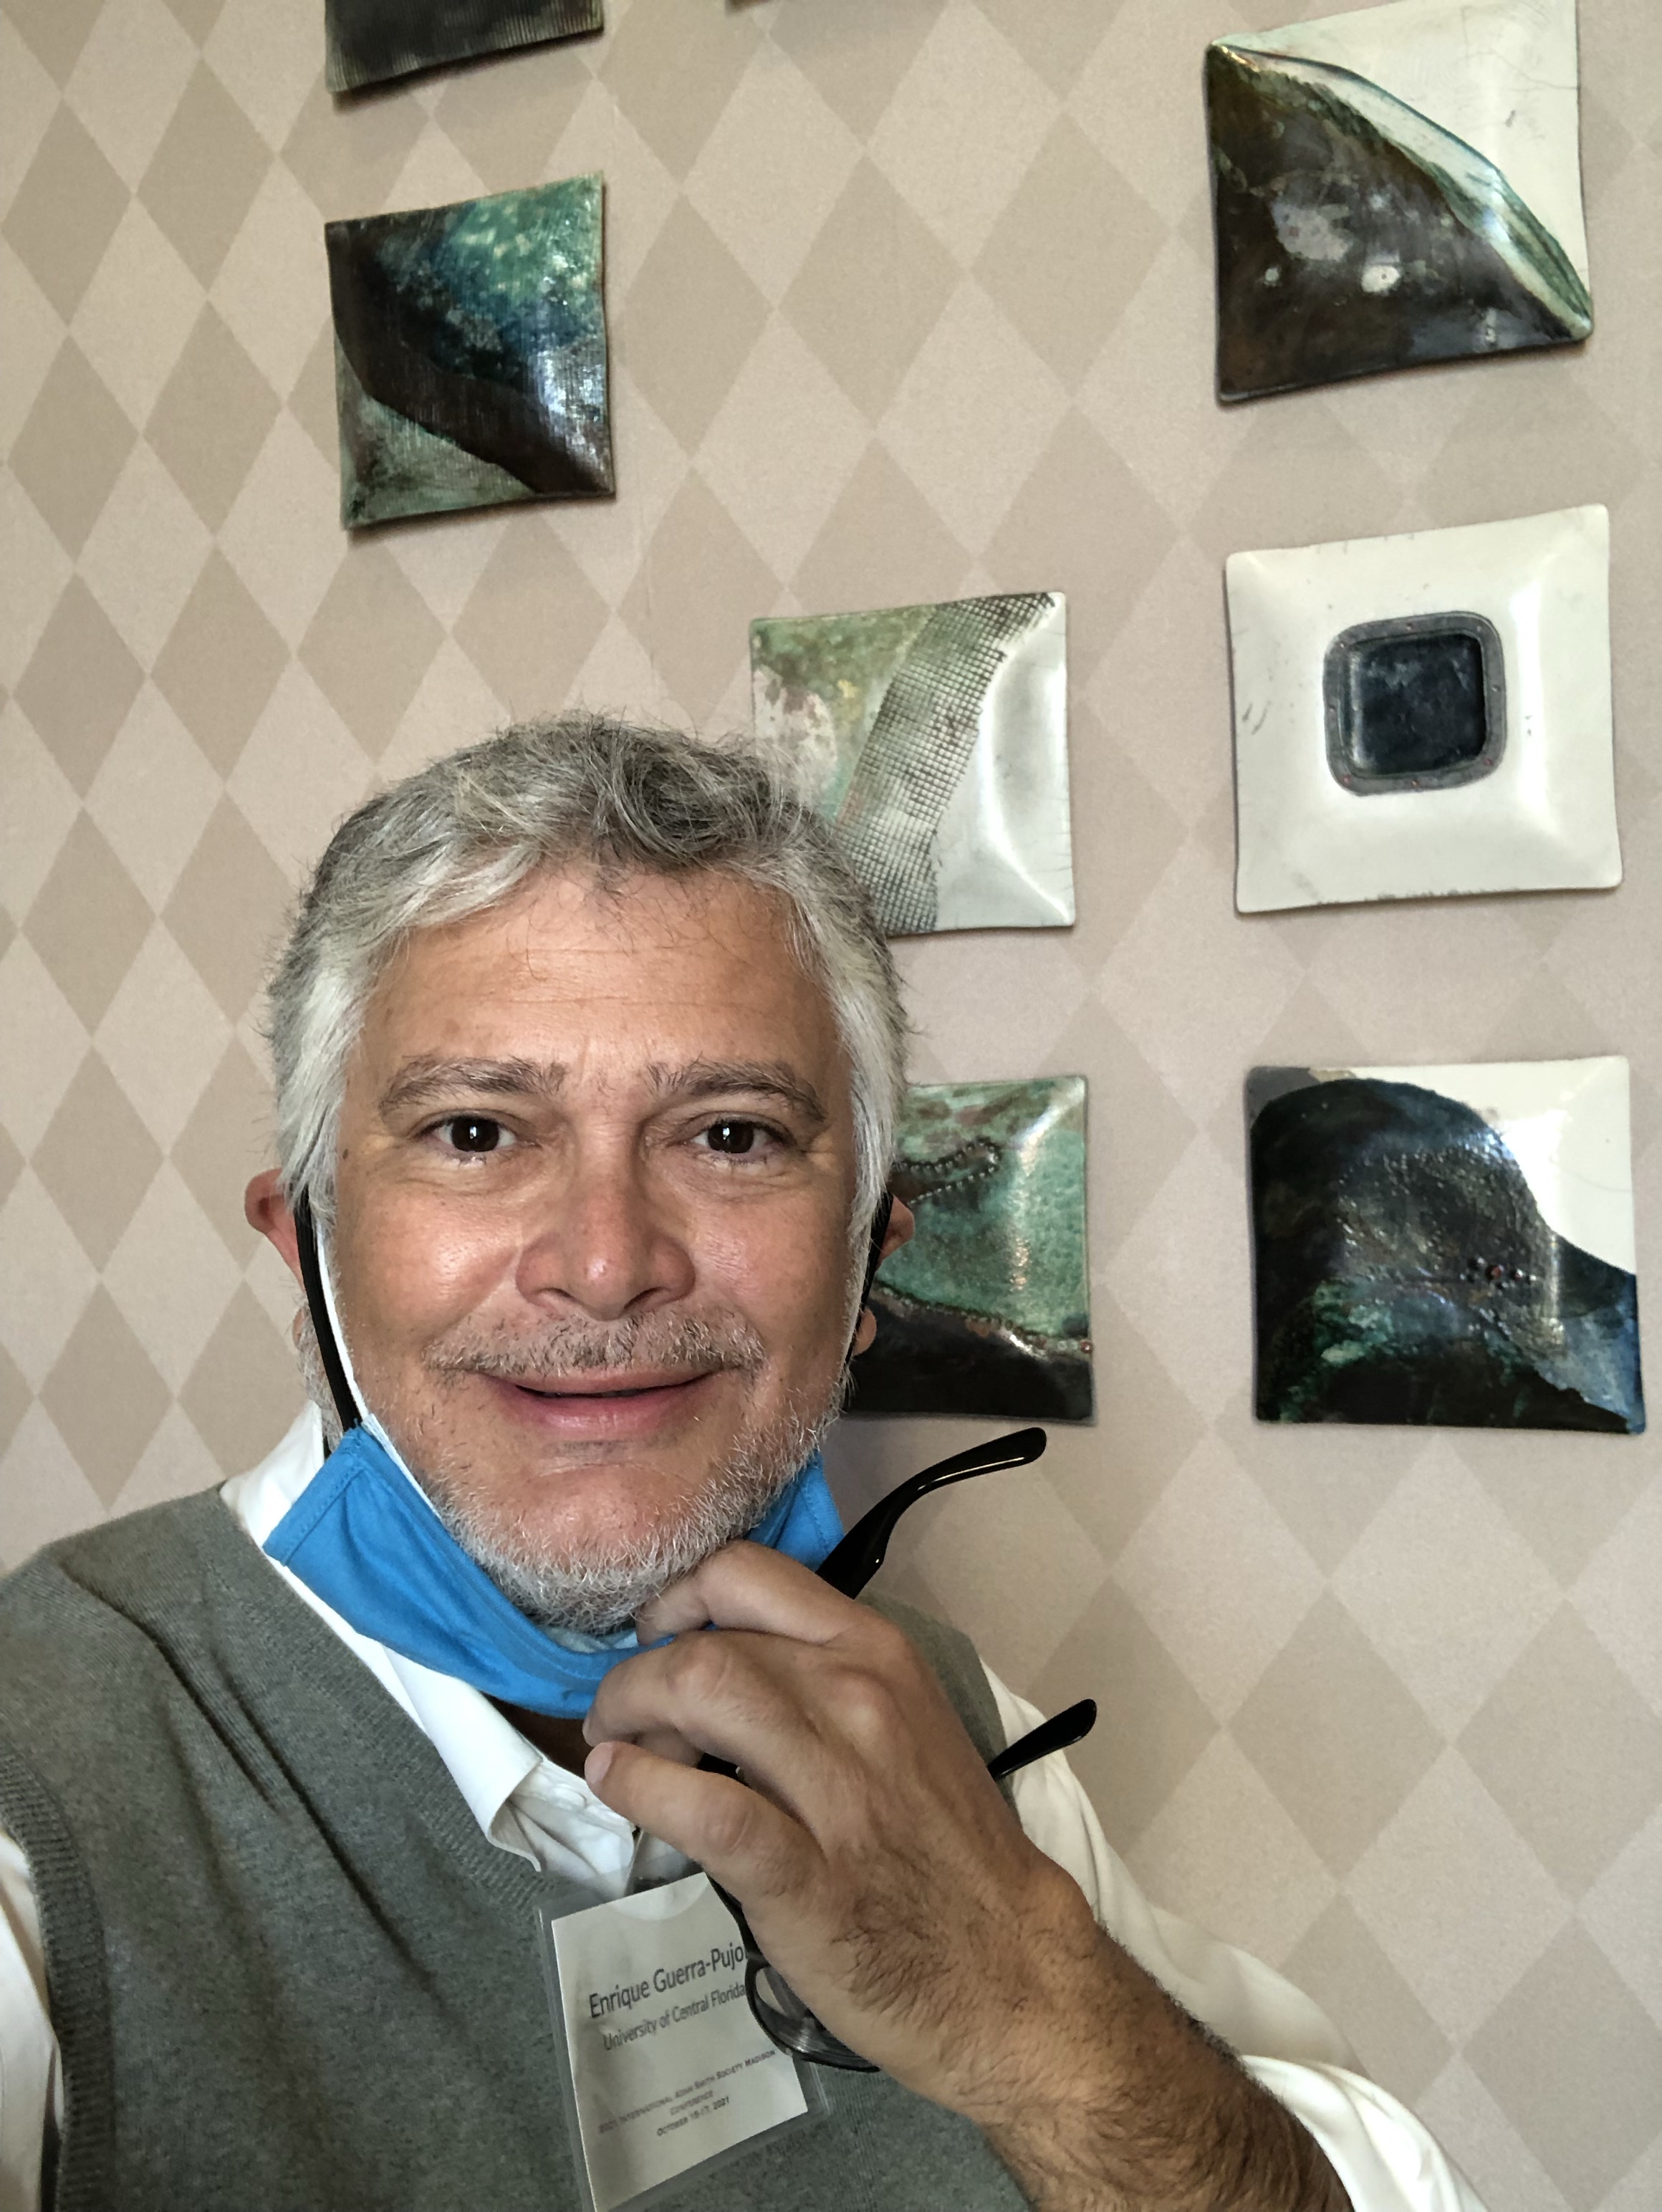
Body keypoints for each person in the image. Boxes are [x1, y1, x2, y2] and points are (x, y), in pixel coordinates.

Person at [0, 718, 1482, 2212]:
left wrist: (1037, 2018)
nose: (604, 1265)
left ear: (866, 1265)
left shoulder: (943, 1730)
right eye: (476, 1129)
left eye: (728, 1133)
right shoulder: (40, 1788)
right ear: (303, 1242)